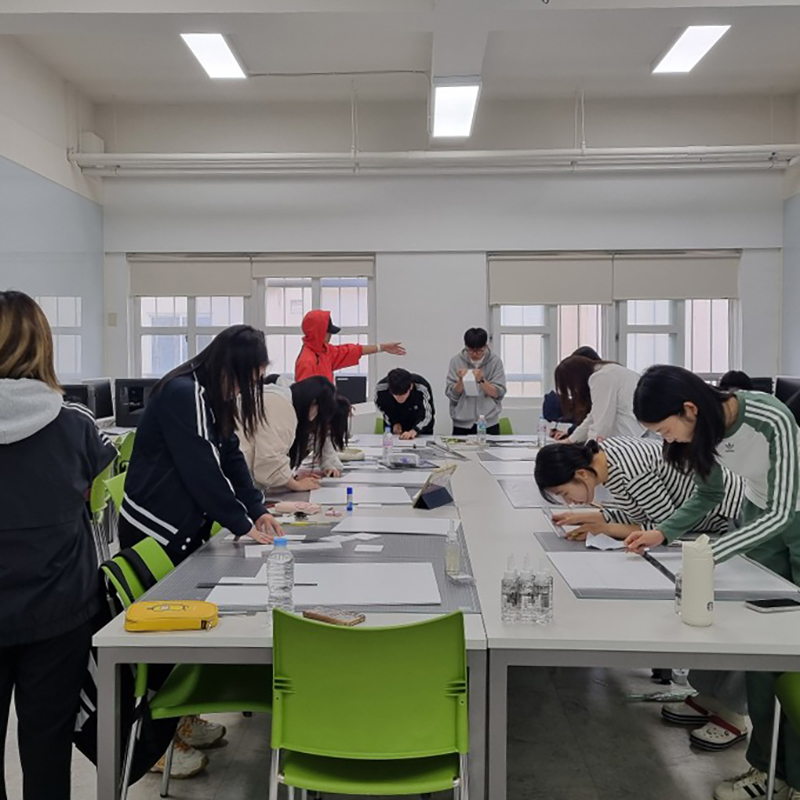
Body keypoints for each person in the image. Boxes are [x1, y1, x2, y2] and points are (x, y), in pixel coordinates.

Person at [626, 365, 800, 800]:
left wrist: (709, 555)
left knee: (793, 658)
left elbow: (784, 511)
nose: (667, 440)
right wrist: (663, 532)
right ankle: (769, 771)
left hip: (792, 517)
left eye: (665, 430)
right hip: (760, 520)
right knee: (762, 655)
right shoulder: (704, 430)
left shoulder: (770, 417)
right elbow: (709, 494)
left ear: (689, 408)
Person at [119, 325, 284, 779]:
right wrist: (242, 524)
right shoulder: (184, 393)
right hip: (155, 529)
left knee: (186, 626)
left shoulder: (212, 396)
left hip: (182, 526)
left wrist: (257, 511)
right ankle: (154, 743)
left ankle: (183, 720)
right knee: (164, 635)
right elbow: (202, 470)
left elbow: (230, 457)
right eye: (249, 378)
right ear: (230, 366)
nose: (248, 388)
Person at [535, 436, 750, 750]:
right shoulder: (609, 462)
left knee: (730, 612)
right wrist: (595, 519)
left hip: (730, 516)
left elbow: (662, 527)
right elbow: (639, 513)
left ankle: (733, 712)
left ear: (581, 474)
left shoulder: (629, 470)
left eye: (565, 494)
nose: (569, 502)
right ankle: (709, 697)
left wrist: (603, 527)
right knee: (707, 606)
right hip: (707, 519)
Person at [0, 291, 118, 800]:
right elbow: (98, 489)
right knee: (47, 750)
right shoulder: (75, 423)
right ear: (43, 346)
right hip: (58, 608)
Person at [239, 376, 351, 492]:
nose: (315, 419)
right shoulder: (281, 406)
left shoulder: (285, 402)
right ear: (313, 403)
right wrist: (296, 485)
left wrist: (290, 479)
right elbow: (269, 459)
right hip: (238, 478)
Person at [294, 309, 406, 382]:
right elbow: (305, 397)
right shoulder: (306, 361)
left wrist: (382, 347)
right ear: (318, 332)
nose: (330, 335)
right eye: (328, 332)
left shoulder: (325, 351)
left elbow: (352, 350)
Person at [554, 355, 646, 442]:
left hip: (635, 434)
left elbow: (602, 424)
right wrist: (571, 440)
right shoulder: (609, 370)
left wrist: (589, 447)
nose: (576, 390)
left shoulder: (601, 377)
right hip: (640, 430)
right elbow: (593, 416)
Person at [446, 328, 507, 435]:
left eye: (479, 351)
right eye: (470, 350)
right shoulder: (456, 361)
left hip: (488, 422)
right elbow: (452, 395)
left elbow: (498, 393)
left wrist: (481, 380)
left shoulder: (495, 361)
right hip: (462, 423)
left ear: (486, 346)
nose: (474, 354)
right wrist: (461, 381)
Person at [543, 347, 602, 435]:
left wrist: (571, 433)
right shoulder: (585, 389)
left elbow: (595, 420)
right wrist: (570, 432)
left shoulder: (599, 385)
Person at [375, 368, 435, 439]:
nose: (399, 399)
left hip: (420, 428)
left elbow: (427, 415)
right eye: (396, 395)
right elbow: (383, 409)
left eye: (403, 394)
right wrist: (393, 423)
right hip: (396, 427)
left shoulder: (422, 387)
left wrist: (415, 430)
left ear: (411, 386)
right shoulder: (381, 389)